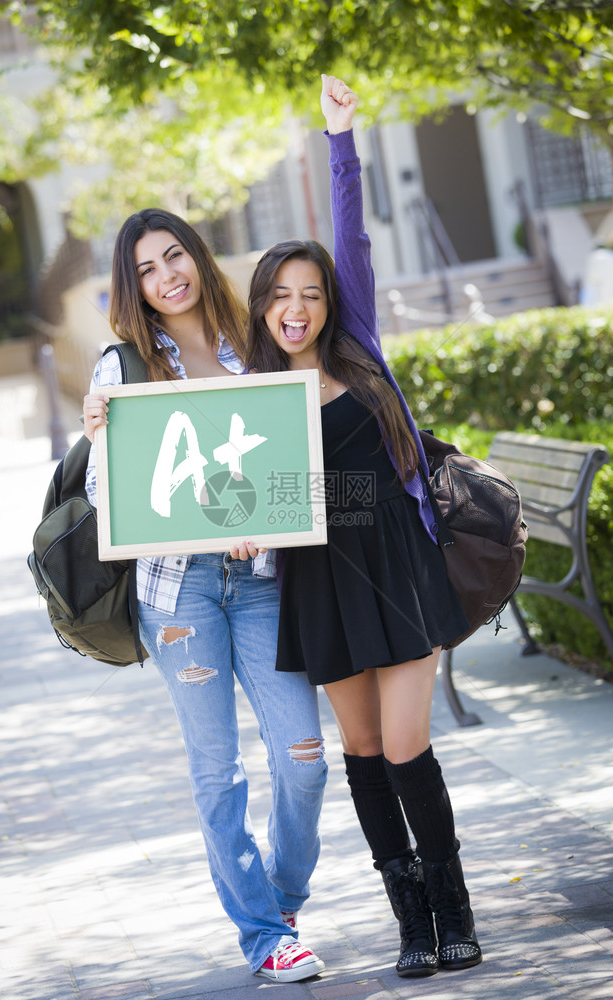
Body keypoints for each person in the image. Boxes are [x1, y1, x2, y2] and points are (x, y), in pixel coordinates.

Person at [234, 74, 483, 980]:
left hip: (398, 565)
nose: (296, 306)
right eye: (279, 296)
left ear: (328, 300)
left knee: (409, 746)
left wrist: (341, 140)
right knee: (365, 753)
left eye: (309, 292)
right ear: (262, 307)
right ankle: (411, 921)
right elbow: (236, 496)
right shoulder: (256, 397)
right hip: (320, 583)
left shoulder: (359, 346)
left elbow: (353, 234)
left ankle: (455, 908)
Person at [81, 209, 327, 983]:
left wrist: (266, 525)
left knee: (306, 759)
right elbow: (105, 493)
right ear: (134, 286)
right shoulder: (120, 367)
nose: (166, 277)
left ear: (198, 258)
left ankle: (280, 898)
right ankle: (263, 936)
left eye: (175, 257)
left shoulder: (251, 348)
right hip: (178, 594)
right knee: (217, 769)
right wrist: (97, 438)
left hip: (256, 587)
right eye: (147, 269)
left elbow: (285, 469)